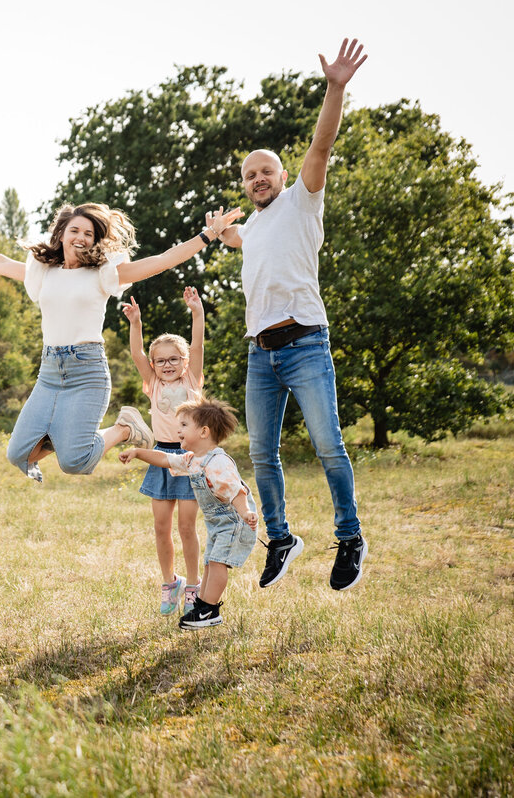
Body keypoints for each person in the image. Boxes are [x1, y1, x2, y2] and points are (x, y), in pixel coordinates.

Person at [216, 38, 369, 591]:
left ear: (281, 176)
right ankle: (279, 538)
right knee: (262, 454)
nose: (258, 179)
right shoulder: (254, 227)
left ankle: (350, 536)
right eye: (249, 175)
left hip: (305, 344)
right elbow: (241, 240)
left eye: (266, 172)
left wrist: (335, 88)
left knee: (328, 444)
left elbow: (322, 147)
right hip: (261, 354)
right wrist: (219, 232)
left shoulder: (303, 199)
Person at [0, 203, 242, 482]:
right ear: (61, 234)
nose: (81, 237)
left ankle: (125, 428)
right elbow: (2, 263)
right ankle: (65, 437)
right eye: (74, 230)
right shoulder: (44, 271)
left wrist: (208, 234)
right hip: (50, 371)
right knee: (18, 455)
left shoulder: (103, 273)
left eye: (88, 233)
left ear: (95, 239)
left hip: (87, 371)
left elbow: (163, 259)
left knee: (74, 462)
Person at [120, 398, 258, 630]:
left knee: (217, 564)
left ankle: (209, 610)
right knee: (209, 564)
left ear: (204, 432)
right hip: (219, 525)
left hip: (235, 522)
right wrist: (137, 452)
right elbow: (165, 459)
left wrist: (246, 513)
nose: (178, 430)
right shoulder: (193, 460)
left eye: (184, 425)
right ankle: (201, 607)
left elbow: (237, 491)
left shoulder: (218, 462)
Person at [121, 288, 205, 615]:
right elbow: (136, 353)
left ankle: (194, 587)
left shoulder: (192, 381)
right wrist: (136, 322)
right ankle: (170, 583)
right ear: (154, 365)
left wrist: (196, 313)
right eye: (161, 360)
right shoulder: (153, 383)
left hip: (187, 459)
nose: (167, 364)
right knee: (160, 526)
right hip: (159, 457)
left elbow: (197, 345)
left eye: (174, 359)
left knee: (186, 527)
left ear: (184, 362)